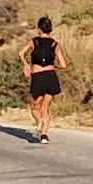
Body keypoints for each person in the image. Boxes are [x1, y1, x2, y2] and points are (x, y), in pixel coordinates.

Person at [23, 16, 69, 144]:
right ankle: (44, 135)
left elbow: (21, 53)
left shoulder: (33, 42)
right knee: (45, 107)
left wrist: (26, 64)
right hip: (50, 76)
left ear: (39, 28)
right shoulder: (55, 44)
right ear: (50, 29)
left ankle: (40, 122)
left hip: (38, 77)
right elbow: (64, 65)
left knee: (34, 106)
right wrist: (53, 66)